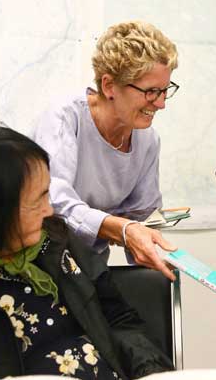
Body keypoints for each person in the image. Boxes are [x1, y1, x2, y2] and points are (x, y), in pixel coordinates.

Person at [0, 125, 173, 380]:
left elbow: (119, 320)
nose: (49, 210)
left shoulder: (54, 239)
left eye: (47, 194)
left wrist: (150, 373)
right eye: (36, 201)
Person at [33, 21, 179, 280]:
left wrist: (154, 265)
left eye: (165, 90)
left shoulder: (147, 140)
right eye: (151, 92)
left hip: (90, 269)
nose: (161, 103)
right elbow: (54, 205)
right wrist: (122, 229)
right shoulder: (63, 118)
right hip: (39, 266)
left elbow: (141, 218)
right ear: (110, 85)